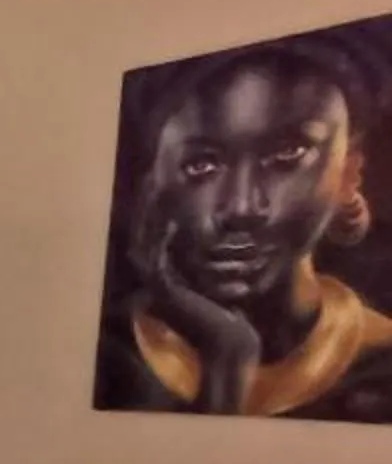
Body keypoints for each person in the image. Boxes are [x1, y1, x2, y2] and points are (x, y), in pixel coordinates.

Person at [99, 38, 392, 420]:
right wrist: (227, 361)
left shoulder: (381, 365)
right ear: (153, 188)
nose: (241, 207)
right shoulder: (112, 356)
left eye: (287, 154)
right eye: (202, 164)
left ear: (349, 172)